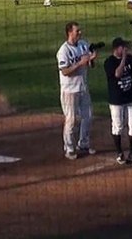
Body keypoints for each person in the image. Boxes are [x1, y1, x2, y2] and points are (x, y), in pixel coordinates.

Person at [56, 21, 96, 159]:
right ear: (69, 32)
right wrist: (80, 63)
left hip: (83, 88)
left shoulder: (84, 45)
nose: (80, 33)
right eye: (77, 31)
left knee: (88, 116)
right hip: (69, 91)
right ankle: (69, 148)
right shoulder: (63, 51)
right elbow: (65, 71)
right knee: (71, 120)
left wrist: (91, 59)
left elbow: (90, 65)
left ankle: (83, 144)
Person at [103, 38, 132, 165]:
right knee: (118, 126)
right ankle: (120, 153)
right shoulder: (109, 62)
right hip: (117, 100)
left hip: (130, 97)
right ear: (117, 48)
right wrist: (124, 58)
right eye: (123, 47)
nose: (125, 49)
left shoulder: (129, 58)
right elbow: (117, 74)